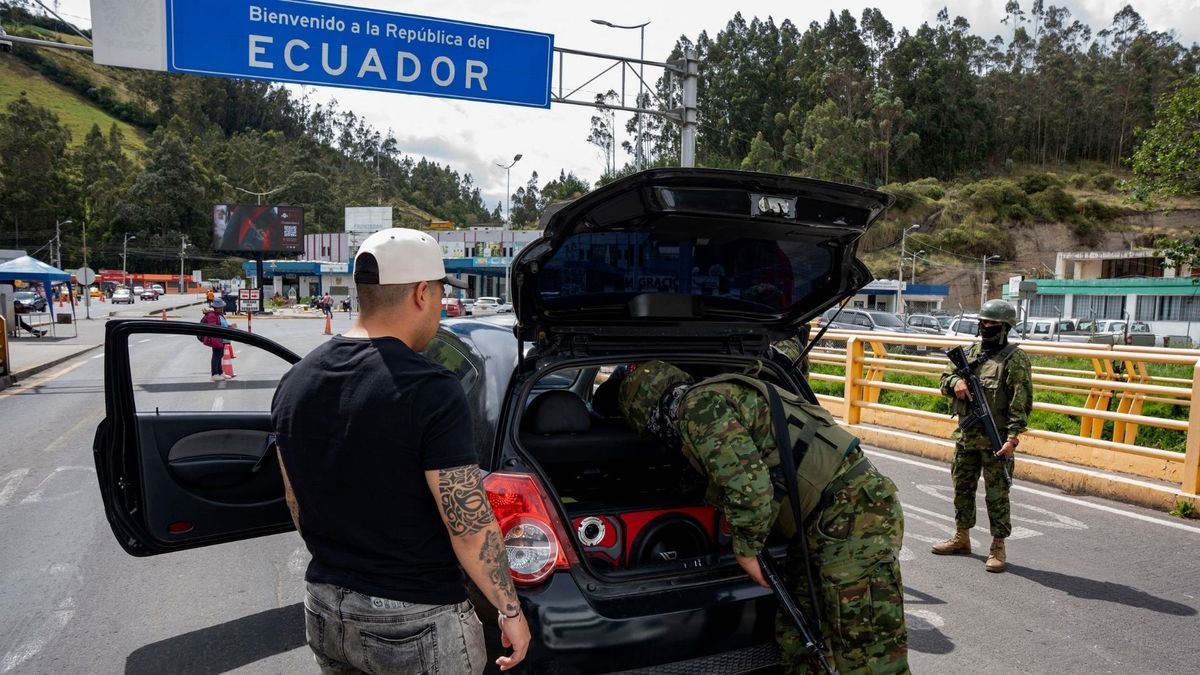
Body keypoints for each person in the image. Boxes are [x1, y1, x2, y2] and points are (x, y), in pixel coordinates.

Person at [270, 228, 530, 674]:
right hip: (414, 624)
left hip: (326, 609)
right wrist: (510, 611)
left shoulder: (296, 381)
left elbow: (296, 502)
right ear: (422, 293)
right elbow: (468, 525)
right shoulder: (429, 387)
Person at [618, 360, 909, 674]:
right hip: (821, 519)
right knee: (799, 633)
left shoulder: (696, 407)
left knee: (867, 650)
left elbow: (752, 490)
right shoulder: (720, 393)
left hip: (854, 515)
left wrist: (746, 551)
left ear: (650, 411)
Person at [933, 299, 1032, 573]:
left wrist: (1012, 438)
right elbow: (943, 380)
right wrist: (956, 383)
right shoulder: (969, 353)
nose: (986, 327)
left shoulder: (1015, 359)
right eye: (984, 322)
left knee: (997, 494)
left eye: (992, 324)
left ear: (1004, 327)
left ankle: (998, 546)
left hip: (996, 441)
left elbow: (1020, 402)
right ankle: (961, 537)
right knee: (961, 488)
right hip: (966, 438)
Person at [200, 298, 231, 381]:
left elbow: (222, 325)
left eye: (222, 307)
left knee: (219, 355)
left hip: (221, 338)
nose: (222, 308)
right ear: (215, 307)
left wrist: (230, 327)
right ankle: (214, 374)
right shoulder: (212, 315)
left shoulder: (218, 314)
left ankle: (220, 373)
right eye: (220, 307)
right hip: (216, 338)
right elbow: (214, 327)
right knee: (216, 356)